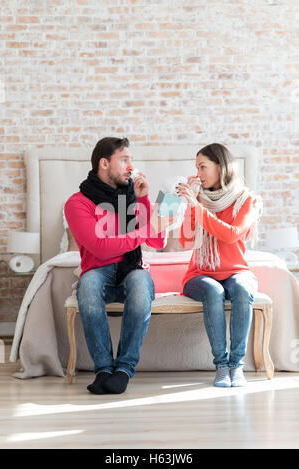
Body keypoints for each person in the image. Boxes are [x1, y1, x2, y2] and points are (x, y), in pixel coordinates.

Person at [65, 137, 175, 394]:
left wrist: (144, 200)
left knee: (140, 282)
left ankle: (124, 369)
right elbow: (99, 247)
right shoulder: (77, 203)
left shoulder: (131, 198)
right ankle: (103, 369)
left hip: (131, 269)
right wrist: (146, 229)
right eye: (124, 160)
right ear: (104, 163)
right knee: (88, 284)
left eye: (131, 160)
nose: (130, 166)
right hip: (98, 270)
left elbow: (157, 240)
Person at [177, 143, 261, 387]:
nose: (198, 174)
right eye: (196, 168)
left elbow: (232, 234)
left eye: (203, 167)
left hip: (236, 271)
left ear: (221, 167)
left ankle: (237, 366)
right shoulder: (197, 200)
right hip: (200, 274)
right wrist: (189, 207)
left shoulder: (246, 200)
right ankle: (222, 366)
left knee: (243, 290)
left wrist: (198, 208)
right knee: (214, 291)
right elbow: (186, 241)